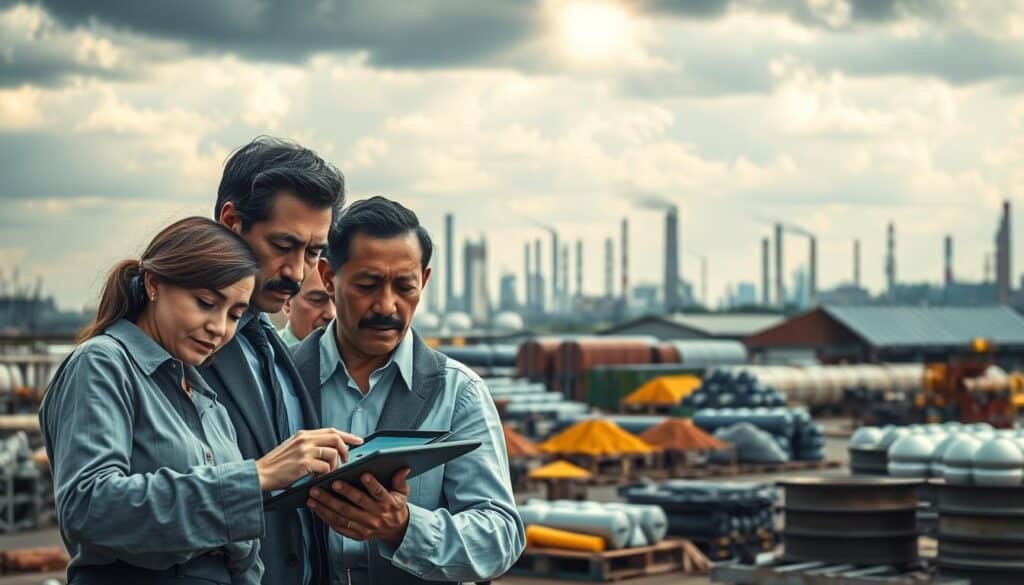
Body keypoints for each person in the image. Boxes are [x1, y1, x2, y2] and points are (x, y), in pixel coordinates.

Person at [40, 217, 354, 585]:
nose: (219, 328)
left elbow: (243, 553)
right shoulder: (104, 364)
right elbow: (88, 509)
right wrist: (255, 477)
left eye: (235, 315)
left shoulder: (206, 396)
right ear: (154, 284)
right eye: (206, 303)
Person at [292, 196, 525, 585]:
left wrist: (404, 527)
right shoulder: (279, 380)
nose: (386, 305)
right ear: (329, 277)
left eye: (405, 287)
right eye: (367, 285)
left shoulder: (458, 394)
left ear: (425, 282)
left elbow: (500, 535)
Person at [198, 136, 353, 585]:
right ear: (231, 222)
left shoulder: (273, 346)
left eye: (314, 252)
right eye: (283, 245)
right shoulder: (172, 348)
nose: (298, 272)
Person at [279, 266, 335, 346]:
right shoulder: (269, 355)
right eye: (317, 300)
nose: (332, 313)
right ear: (287, 303)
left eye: (339, 301)